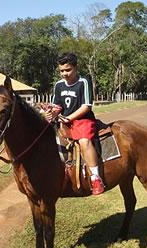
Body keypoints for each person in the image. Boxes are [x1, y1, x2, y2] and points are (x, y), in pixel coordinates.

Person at [46, 52, 104, 195]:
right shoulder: (59, 85)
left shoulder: (83, 82)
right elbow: (57, 105)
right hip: (64, 121)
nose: (64, 73)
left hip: (83, 120)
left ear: (76, 68)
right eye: (61, 71)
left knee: (84, 141)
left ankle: (96, 177)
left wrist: (69, 118)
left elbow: (86, 106)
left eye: (68, 70)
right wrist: (50, 112)